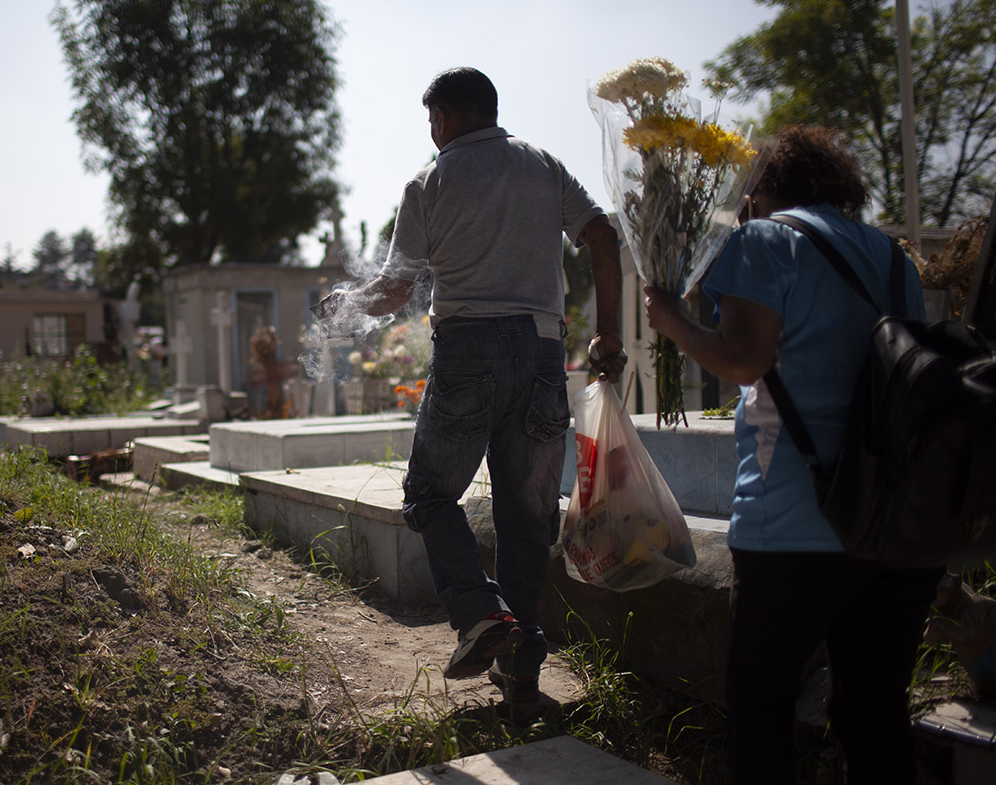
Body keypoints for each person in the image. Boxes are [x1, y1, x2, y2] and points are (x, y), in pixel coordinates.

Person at [315, 67, 626, 707]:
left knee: (429, 496)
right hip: (542, 354)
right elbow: (603, 236)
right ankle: (521, 676)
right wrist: (610, 335)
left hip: (468, 351)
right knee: (526, 517)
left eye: (433, 121)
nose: (431, 134)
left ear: (446, 118)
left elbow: (396, 290)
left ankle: (480, 615)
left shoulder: (430, 181)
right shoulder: (542, 165)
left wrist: (344, 303)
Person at [643, 125, 944, 783]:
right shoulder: (894, 258)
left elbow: (742, 358)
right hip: (895, 523)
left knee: (761, 703)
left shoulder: (765, 239)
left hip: (795, 521)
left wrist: (669, 320)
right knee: (873, 710)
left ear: (761, 190)